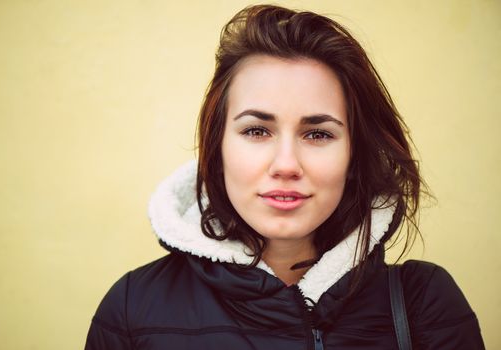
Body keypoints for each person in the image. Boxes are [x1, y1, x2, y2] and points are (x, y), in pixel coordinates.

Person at [84, 5, 484, 349]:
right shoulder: (132, 309)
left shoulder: (424, 304)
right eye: (257, 131)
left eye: (318, 134)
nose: (287, 164)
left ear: (353, 155)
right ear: (217, 146)